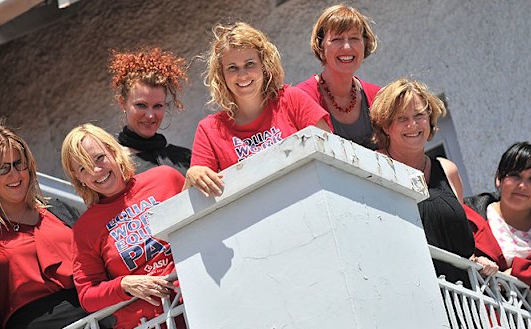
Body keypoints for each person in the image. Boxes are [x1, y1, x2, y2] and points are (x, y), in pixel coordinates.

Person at [60, 123, 186, 329]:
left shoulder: (165, 178)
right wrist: (124, 285)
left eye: (99, 157)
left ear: (113, 151)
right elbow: (87, 296)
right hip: (148, 323)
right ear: (79, 179)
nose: (96, 170)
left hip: (197, 302)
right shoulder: (85, 229)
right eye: (83, 168)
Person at [185, 22, 332, 197]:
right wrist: (192, 175)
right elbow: (193, 201)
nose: (242, 75)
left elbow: (331, 152)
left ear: (264, 64)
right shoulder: (209, 129)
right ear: (221, 74)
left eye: (250, 64)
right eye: (232, 67)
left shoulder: (291, 99)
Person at [0, 124, 89, 329]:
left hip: (93, 314)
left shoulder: (57, 209)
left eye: (19, 163)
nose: (15, 174)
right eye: (2, 168)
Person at [369, 77, 478, 283]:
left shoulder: (447, 169)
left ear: (430, 119)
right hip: (411, 292)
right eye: (401, 118)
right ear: (385, 126)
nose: (412, 125)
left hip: (464, 300)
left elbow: (459, 240)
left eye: (419, 115)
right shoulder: (375, 168)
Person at [464, 142, 531, 318]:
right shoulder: (469, 217)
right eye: (515, 175)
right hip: (488, 320)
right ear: (499, 178)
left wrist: (521, 272)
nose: (522, 185)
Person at [297, 4, 380, 149]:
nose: (347, 47)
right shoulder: (301, 98)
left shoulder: (378, 97)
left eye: (354, 38)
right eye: (336, 40)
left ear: (365, 44)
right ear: (320, 46)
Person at [110, 47, 191, 176]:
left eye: (158, 106)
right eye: (141, 105)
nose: (150, 115)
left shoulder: (185, 158)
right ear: (123, 103)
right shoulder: (112, 165)